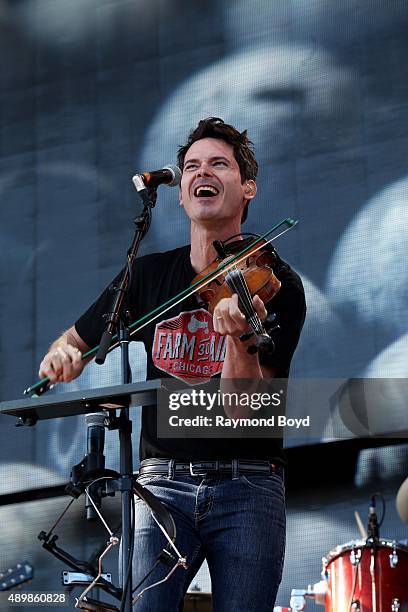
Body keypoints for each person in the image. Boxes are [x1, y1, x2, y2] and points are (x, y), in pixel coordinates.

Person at [39, 117, 306, 611]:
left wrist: (240, 338)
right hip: (162, 481)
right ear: (181, 193)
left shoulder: (277, 284)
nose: (202, 172)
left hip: (247, 480)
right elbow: (73, 340)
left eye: (219, 164)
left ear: (248, 187)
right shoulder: (147, 277)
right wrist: (63, 355)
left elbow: (242, 414)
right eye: (191, 166)